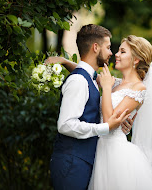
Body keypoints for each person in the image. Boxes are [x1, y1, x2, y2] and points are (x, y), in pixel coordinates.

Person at [50, 35, 152, 189]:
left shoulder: (138, 89)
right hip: (98, 149)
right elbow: (87, 74)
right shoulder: (117, 83)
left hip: (115, 154)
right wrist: (65, 62)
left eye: (122, 51)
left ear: (135, 60)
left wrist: (106, 88)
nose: (116, 54)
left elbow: (109, 121)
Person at [49, 24, 132, 190]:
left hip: (82, 162)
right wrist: (106, 127)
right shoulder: (79, 81)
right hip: (72, 164)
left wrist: (65, 61)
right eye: (108, 47)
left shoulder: (90, 79)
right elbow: (65, 125)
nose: (111, 53)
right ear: (95, 47)